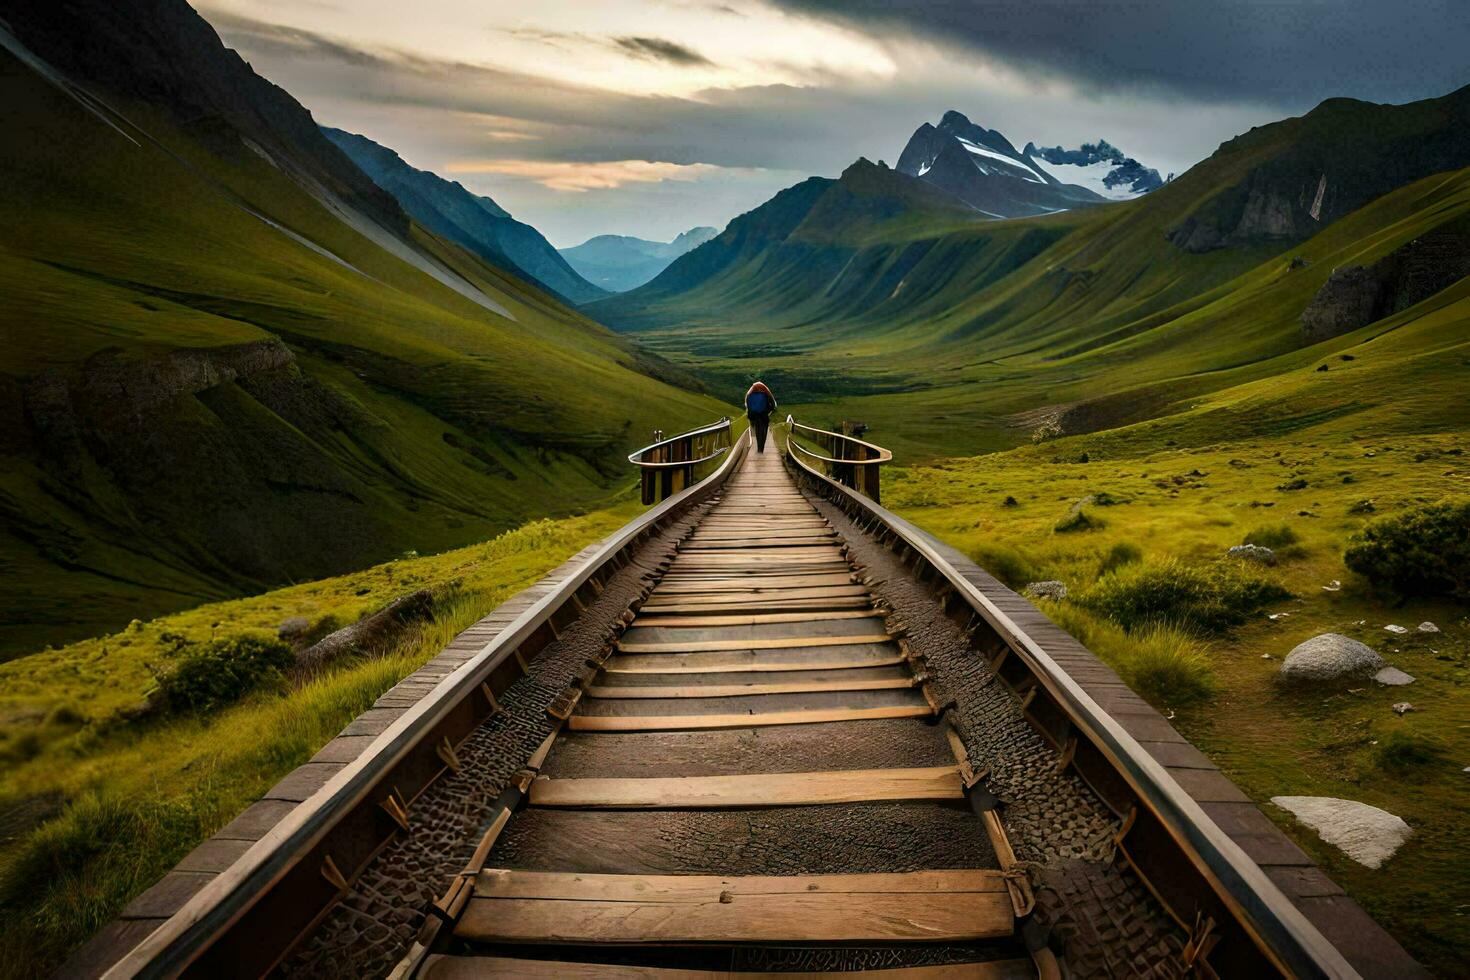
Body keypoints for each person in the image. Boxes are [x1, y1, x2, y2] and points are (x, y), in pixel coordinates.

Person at [744, 380, 777, 453]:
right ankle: (761, 449)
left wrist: (751, 415)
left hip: (754, 416)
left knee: (757, 431)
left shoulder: (750, 394)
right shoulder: (766, 393)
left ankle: (758, 447)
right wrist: (768, 411)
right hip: (763, 416)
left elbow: (747, 405)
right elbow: (773, 405)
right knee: (764, 432)